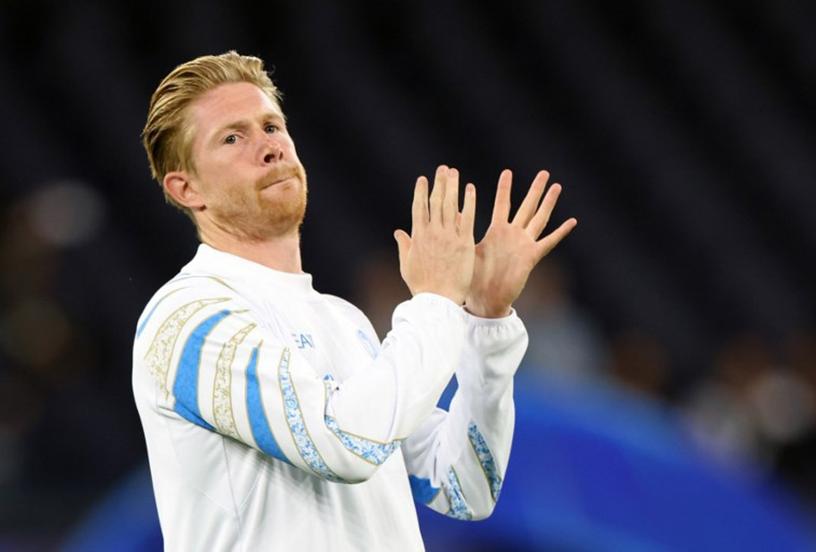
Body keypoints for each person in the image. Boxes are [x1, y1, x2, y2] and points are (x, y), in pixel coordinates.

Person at [133, 51, 576, 551]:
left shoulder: (346, 324)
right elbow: (344, 445)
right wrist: (434, 298)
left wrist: (483, 321)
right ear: (186, 188)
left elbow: (465, 486)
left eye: (272, 126)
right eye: (233, 138)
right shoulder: (189, 318)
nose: (269, 147)